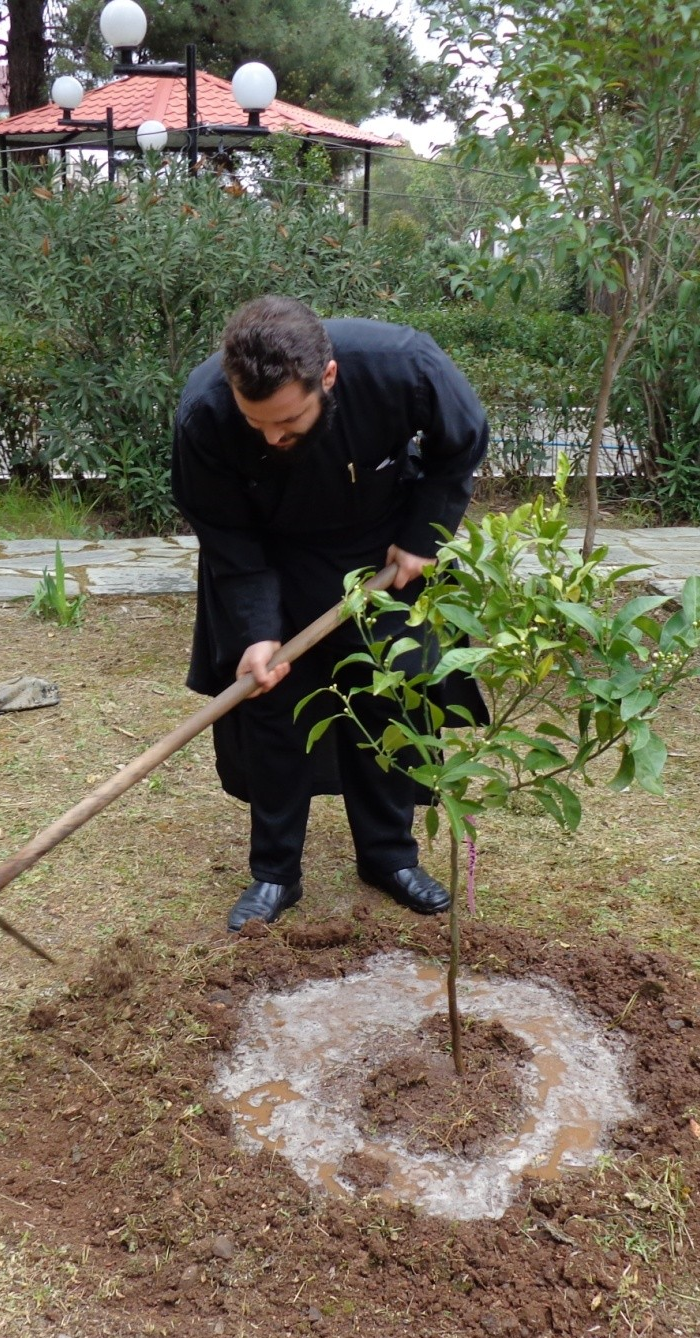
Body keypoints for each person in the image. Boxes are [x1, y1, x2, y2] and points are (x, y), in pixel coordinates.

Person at [171, 295, 490, 932]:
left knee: (388, 696)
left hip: (380, 546)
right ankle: (275, 874)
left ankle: (389, 857)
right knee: (274, 709)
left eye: (288, 421)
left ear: (329, 378)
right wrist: (259, 632)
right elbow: (229, 536)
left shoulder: (402, 364)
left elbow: (464, 438)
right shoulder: (204, 413)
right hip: (271, 554)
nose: (271, 437)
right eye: (256, 422)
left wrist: (423, 534)